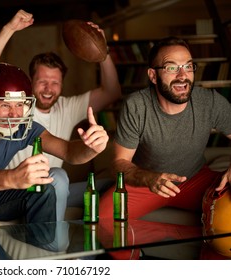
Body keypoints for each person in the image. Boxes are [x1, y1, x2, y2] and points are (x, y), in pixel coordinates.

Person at [0, 9, 121, 220]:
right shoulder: (16, 106)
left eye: (55, 82)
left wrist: (102, 50)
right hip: (17, 191)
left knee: (110, 186)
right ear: (30, 82)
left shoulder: (66, 106)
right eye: (42, 81)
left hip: (54, 188)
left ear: (62, 84)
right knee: (58, 178)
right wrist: (9, 29)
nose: (48, 89)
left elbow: (112, 91)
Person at [0, 63, 109, 228]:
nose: (15, 114)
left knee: (48, 182)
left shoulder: (22, 127)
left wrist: (91, 147)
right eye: (5, 105)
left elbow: (68, 151)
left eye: (19, 104)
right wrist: (12, 178)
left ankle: (45, 245)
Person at [99, 36, 231, 220]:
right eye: (171, 68)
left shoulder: (210, 101)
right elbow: (119, 163)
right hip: (146, 182)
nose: (182, 75)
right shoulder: (136, 105)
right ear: (153, 76)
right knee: (102, 219)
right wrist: (149, 178)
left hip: (195, 179)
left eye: (188, 66)